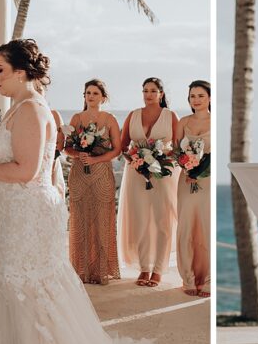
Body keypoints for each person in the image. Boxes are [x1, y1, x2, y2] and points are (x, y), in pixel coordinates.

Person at [0, 39, 168, 344]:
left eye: (0, 69)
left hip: (30, 216)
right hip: (14, 217)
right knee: (17, 283)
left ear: (21, 71)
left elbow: (26, 171)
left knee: (33, 287)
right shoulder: (17, 107)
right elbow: (6, 157)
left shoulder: (33, 110)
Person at [118, 77, 180, 288]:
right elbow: (122, 146)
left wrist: (159, 158)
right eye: (145, 90)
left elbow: (179, 148)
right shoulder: (133, 115)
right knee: (141, 221)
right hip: (137, 175)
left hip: (163, 175)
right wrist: (136, 161)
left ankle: (159, 270)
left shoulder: (170, 116)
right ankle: (144, 267)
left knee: (162, 221)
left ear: (161, 94)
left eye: (153, 90)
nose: (148, 94)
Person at [65, 79, 122, 285]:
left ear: (103, 97)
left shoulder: (110, 119)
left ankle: (100, 271)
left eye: (95, 93)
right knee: (80, 221)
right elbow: (66, 147)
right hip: (79, 174)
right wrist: (78, 154)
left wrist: (95, 159)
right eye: (87, 93)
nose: (90, 96)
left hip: (102, 174)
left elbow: (117, 149)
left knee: (101, 221)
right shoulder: (77, 118)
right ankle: (80, 270)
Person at [177, 80, 212, 297]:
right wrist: (187, 166)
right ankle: (188, 277)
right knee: (186, 226)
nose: (196, 100)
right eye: (192, 96)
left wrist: (200, 170)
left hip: (207, 182)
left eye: (200, 95)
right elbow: (174, 151)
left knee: (205, 227)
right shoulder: (183, 122)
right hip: (186, 180)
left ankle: (206, 280)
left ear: (209, 97)